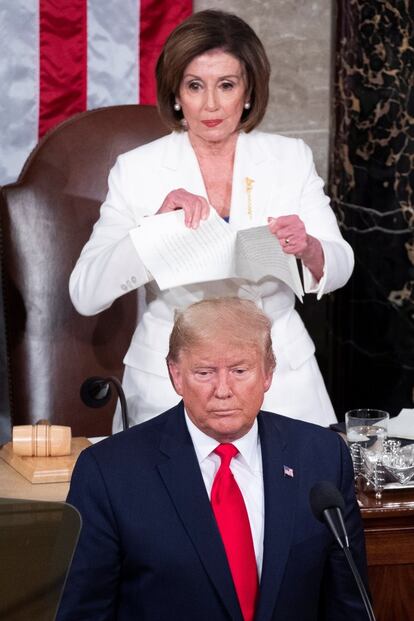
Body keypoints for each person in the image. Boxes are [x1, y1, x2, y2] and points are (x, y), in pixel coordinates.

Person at [69, 9, 354, 432]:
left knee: (300, 495)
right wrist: (153, 231)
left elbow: (341, 264)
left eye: (227, 85)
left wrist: (308, 247)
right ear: (176, 94)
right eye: (195, 86)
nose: (212, 105)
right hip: (172, 381)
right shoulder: (137, 170)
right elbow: (85, 292)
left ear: (249, 91)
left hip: (280, 377)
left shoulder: (289, 158)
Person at [57, 298, 369, 621]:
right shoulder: (109, 473)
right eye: (204, 372)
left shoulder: (322, 457)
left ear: (267, 374)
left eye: (239, 370)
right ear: (176, 375)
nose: (223, 390)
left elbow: (350, 606)